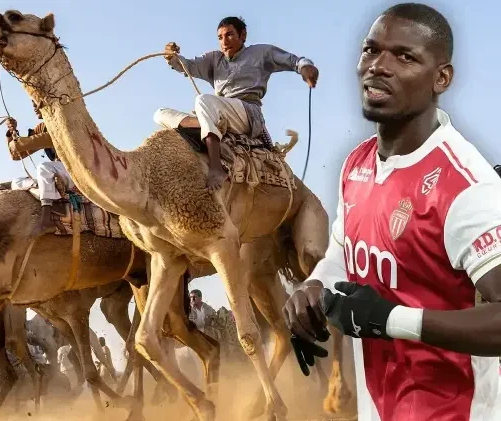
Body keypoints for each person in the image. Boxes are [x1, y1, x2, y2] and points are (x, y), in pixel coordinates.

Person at [283, 4, 501, 419]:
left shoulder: (467, 186)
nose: (378, 66)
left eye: (404, 56)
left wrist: (390, 320)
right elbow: (342, 253)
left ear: (441, 78)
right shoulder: (356, 163)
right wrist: (312, 288)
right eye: (371, 50)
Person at [157, 16, 319, 190]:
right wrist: (171, 57)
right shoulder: (214, 59)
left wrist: (305, 67)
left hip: (248, 113)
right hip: (220, 112)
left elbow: (294, 60)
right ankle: (208, 125)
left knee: (203, 100)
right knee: (160, 114)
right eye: (220, 37)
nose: (224, 41)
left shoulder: (260, 52)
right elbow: (187, 66)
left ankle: (216, 168)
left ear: (243, 35)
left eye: (229, 35)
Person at [6, 101, 75, 236]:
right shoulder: (43, 127)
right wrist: (11, 133)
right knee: (17, 182)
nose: (34, 106)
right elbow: (16, 155)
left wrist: (17, 141)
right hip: (58, 171)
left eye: (37, 101)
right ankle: (53, 197)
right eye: (32, 102)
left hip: (74, 171)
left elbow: (19, 146)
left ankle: (46, 216)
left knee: (44, 167)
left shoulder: (62, 124)